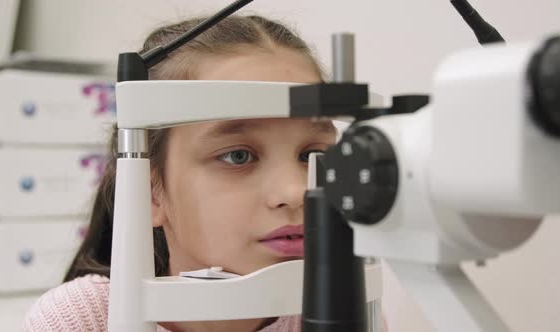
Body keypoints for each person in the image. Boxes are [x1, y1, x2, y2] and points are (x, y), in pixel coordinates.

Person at [23, 15, 385, 332]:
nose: (294, 191)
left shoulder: (349, 309)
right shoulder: (81, 321)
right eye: (239, 156)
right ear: (149, 192)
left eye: (312, 155)